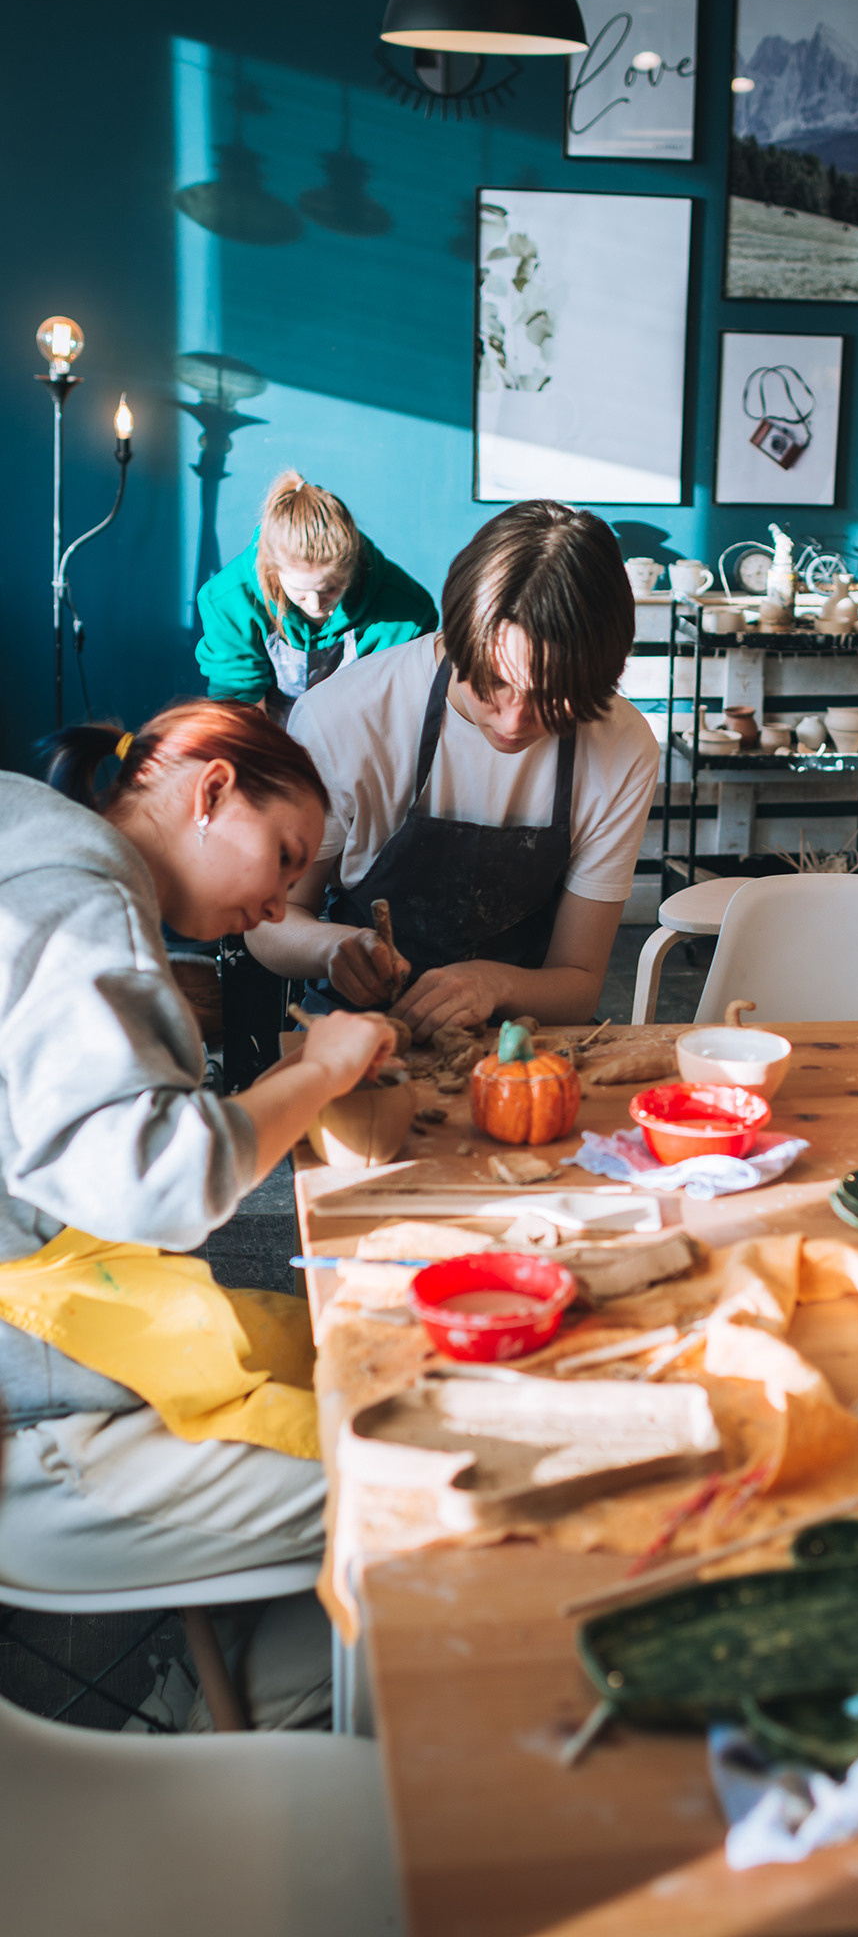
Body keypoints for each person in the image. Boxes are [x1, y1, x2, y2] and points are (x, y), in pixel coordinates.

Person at [0, 703, 394, 1720]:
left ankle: (213, 1708)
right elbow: (161, 1181)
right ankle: (247, 1755)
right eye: (283, 855)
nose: (276, 905)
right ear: (210, 790)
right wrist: (319, 1070)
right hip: (38, 1435)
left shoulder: (35, 831)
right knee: (411, 1491)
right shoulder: (77, 896)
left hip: (55, 1348)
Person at [248, 500, 658, 1038]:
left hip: (519, 1038)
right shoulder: (345, 717)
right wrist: (332, 948)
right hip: (353, 1034)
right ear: (458, 633)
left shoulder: (622, 746)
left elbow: (578, 980)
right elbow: (269, 923)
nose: (513, 721)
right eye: (494, 682)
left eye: (553, 698)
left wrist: (495, 985)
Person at [195, 470, 437, 720]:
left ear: (353, 567)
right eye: (300, 592)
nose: (316, 605)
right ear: (272, 570)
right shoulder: (228, 600)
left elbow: (396, 709)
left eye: (331, 588)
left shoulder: (406, 610)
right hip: (270, 728)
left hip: (360, 730)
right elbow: (239, 701)